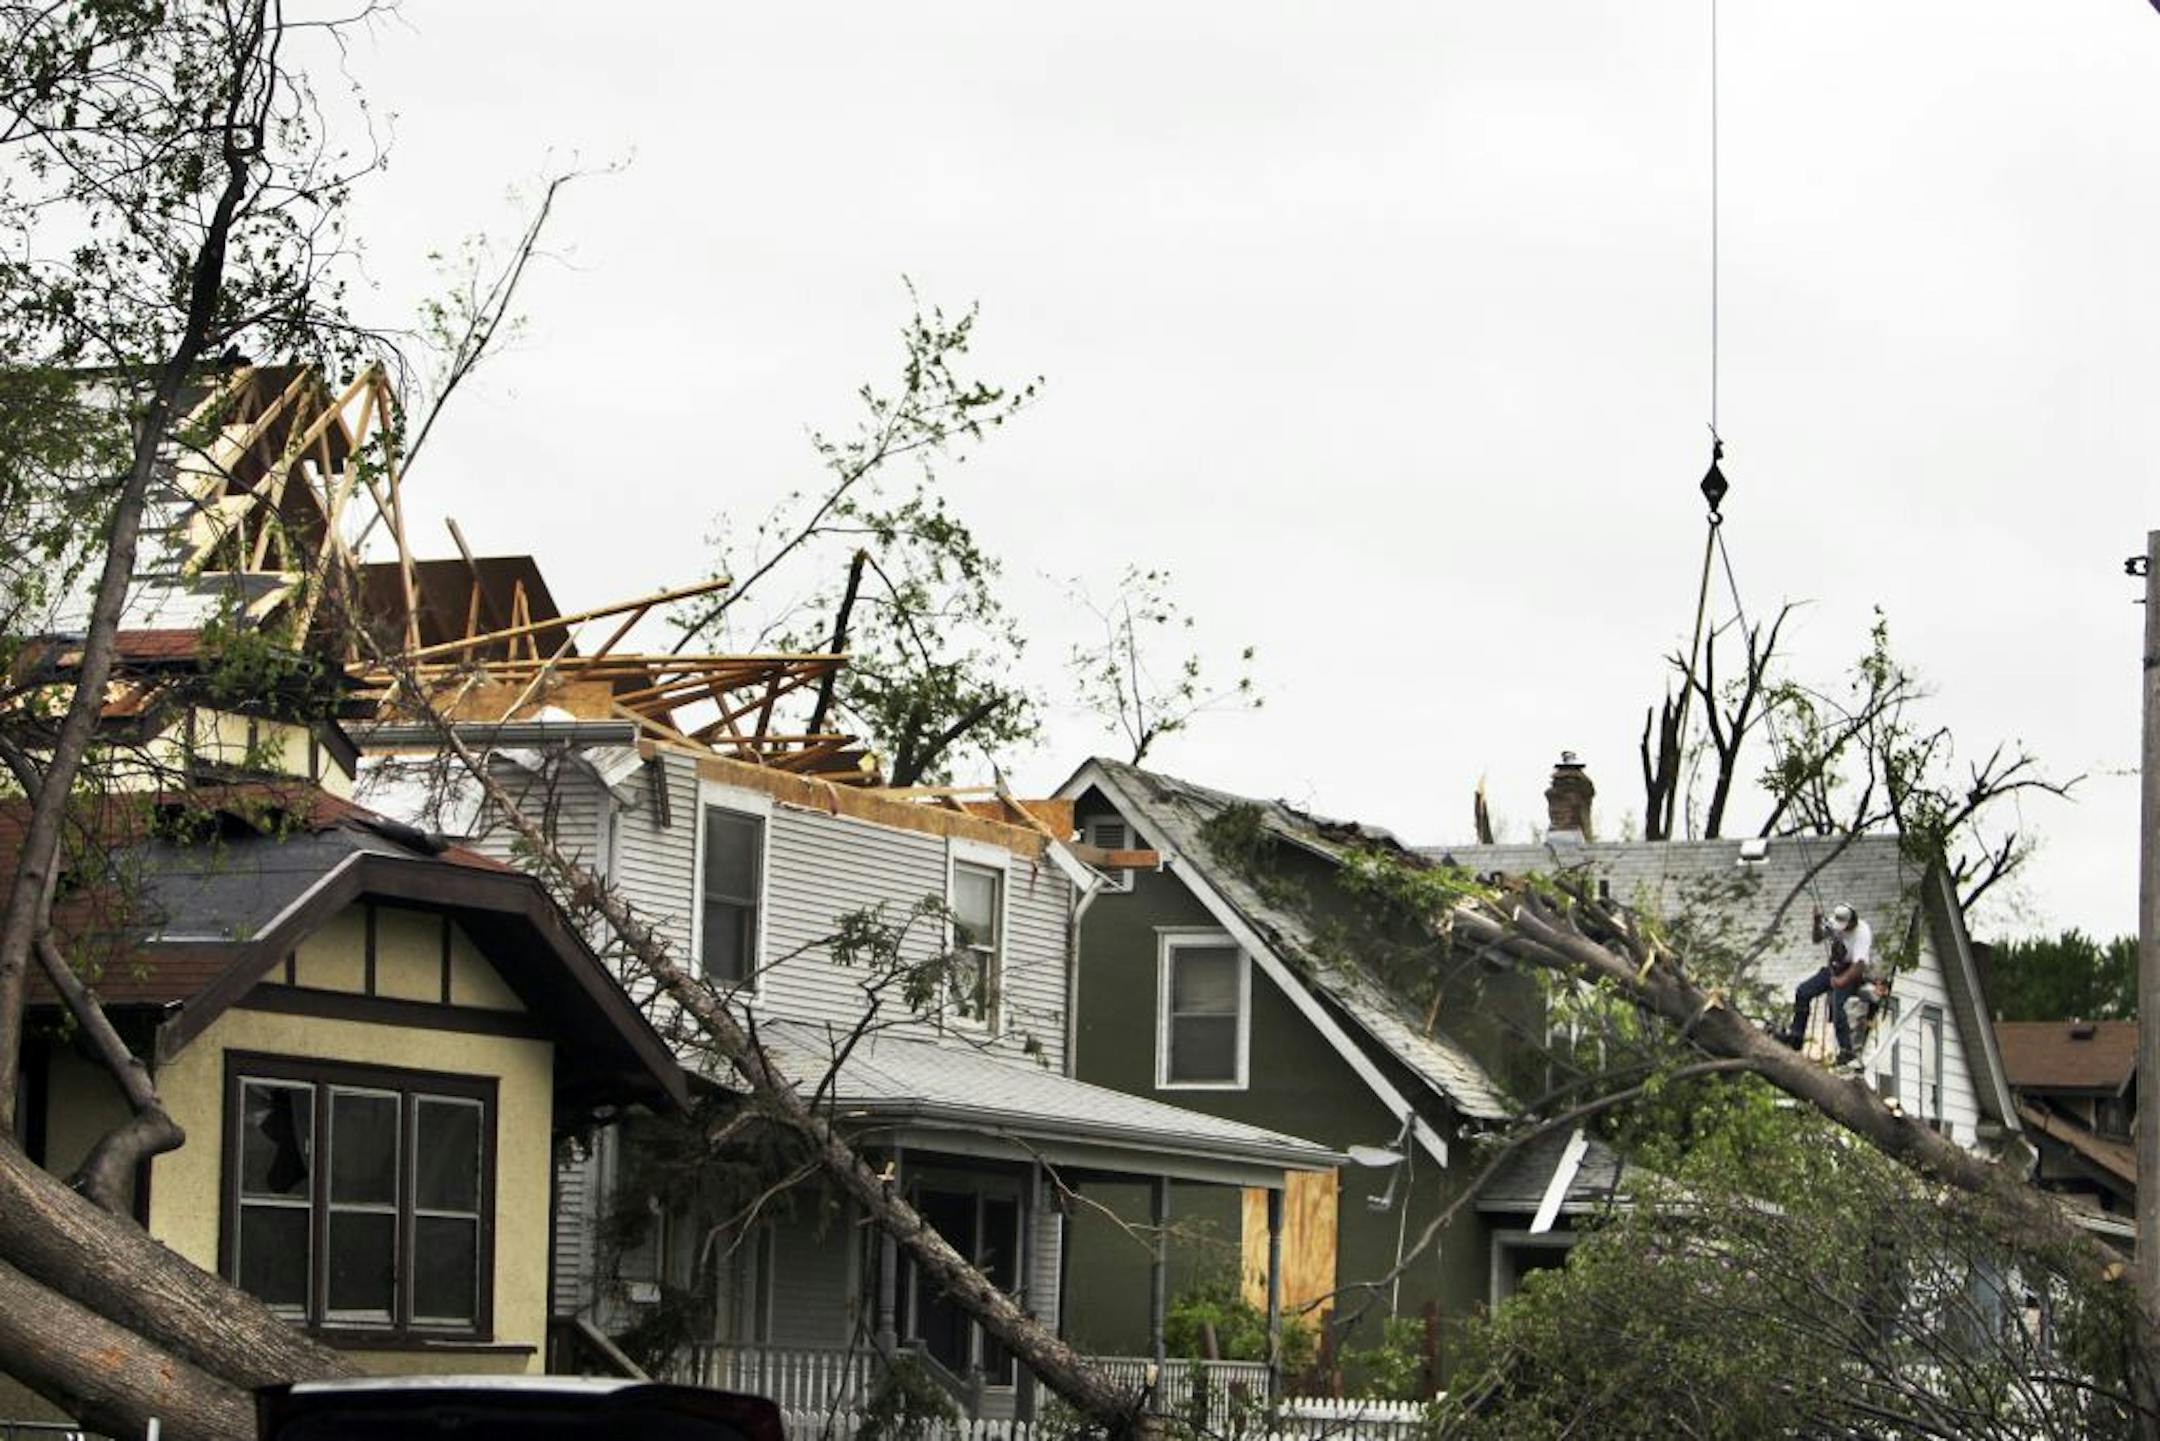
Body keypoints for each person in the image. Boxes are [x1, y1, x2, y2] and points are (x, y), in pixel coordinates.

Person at [1787, 903, 1872, 1062]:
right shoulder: (1835, 923)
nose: (1842, 929)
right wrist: (1816, 921)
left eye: (1845, 926)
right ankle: (1796, 1036)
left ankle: (1846, 1051)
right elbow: (1817, 938)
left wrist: (1841, 981)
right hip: (1834, 968)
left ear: (1853, 921)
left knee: (1836, 1005)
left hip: (1852, 971)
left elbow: (1859, 965)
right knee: (1803, 992)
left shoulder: (1862, 932)